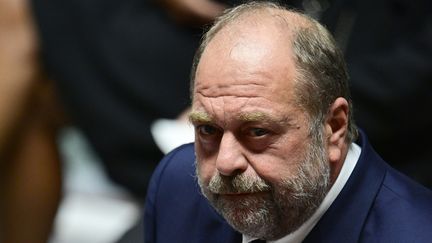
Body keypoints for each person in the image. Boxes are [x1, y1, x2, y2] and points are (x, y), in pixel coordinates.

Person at [144, 1, 432, 242]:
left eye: (257, 131)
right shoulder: (177, 185)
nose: (226, 163)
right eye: (208, 129)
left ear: (334, 127)